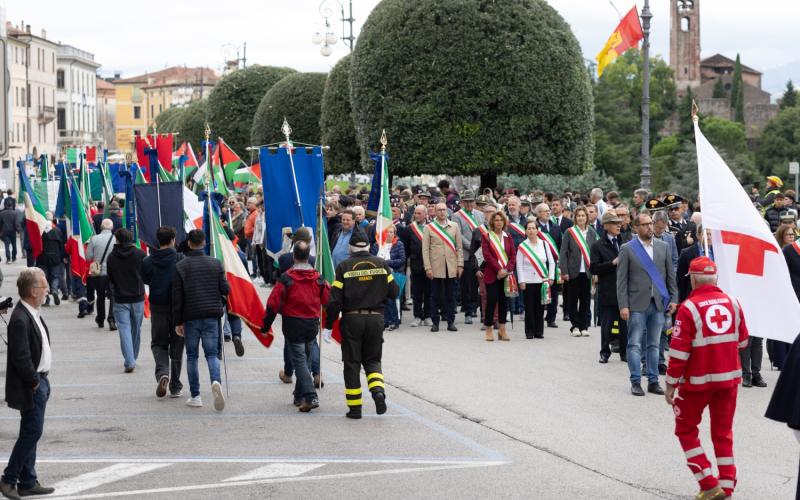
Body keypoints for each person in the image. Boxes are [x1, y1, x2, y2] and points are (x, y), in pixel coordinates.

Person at [665, 257, 749, 500]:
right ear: (716, 279)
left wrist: (670, 384)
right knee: (723, 433)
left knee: (686, 429)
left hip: (697, 383)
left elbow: (679, 354)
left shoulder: (688, 308)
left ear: (692, 279)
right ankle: (727, 488)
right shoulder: (733, 302)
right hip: (729, 380)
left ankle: (708, 483)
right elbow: (743, 341)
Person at [323, 229, 399, 419]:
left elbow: (334, 301)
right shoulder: (381, 264)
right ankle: (378, 392)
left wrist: (329, 324)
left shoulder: (343, 267)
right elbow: (394, 292)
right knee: (373, 360)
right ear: (367, 246)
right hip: (376, 319)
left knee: (352, 364)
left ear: (350, 247)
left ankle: (355, 409)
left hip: (352, 320)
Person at [1, 268, 56, 499]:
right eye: (44, 287)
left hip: (41, 380)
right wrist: (34, 382)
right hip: (32, 384)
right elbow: (21, 356)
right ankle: (9, 478)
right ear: (34, 291)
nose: (47, 291)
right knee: (32, 432)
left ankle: (27, 480)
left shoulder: (31, 312)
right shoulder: (21, 318)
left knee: (30, 431)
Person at [263, 242, 330, 412]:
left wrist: (265, 325)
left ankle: (310, 395)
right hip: (312, 323)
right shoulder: (318, 277)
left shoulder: (287, 277)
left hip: (293, 323)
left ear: (294, 256)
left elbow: (272, 304)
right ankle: (299, 396)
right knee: (305, 359)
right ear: (309, 256)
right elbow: (328, 300)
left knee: (299, 361)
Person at [617, 212, 678, 397]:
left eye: (650, 224)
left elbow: (670, 276)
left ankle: (653, 381)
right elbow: (622, 280)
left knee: (654, 345)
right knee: (634, 344)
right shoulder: (627, 248)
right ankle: (636, 381)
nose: (649, 227)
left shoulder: (663, 246)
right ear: (636, 227)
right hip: (636, 303)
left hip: (658, 303)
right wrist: (623, 305)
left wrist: (674, 298)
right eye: (644, 224)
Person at [172, 229, 229, 411]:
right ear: (204, 243)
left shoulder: (181, 266)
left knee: (192, 356)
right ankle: (215, 381)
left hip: (190, 316)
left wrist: (178, 321)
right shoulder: (216, 263)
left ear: (189, 243)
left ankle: (195, 395)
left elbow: (177, 297)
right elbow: (225, 289)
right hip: (212, 314)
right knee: (212, 354)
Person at [142, 226, 185, 398]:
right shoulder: (180, 258)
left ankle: (162, 373)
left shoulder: (148, 261)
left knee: (158, 343)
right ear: (173, 239)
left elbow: (145, 279)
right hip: (178, 308)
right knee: (177, 345)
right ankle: (175, 385)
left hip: (158, 307)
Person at [106, 228, 146, 373]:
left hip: (120, 298)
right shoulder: (140, 254)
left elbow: (110, 278)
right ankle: (132, 357)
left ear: (117, 240)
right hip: (137, 297)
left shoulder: (111, 257)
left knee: (124, 329)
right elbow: (145, 273)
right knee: (136, 329)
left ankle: (130, 359)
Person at [590, 211, 628, 363]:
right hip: (608, 289)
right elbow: (593, 268)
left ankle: (624, 352)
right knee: (607, 324)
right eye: (614, 223)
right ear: (606, 226)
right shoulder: (598, 245)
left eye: (619, 223)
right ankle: (604, 352)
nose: (618, 225)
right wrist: (612, 263)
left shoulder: (625, 241)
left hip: (624, 289)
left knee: (624, 324)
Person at [422, 203, 463, 332]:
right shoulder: (429, 228)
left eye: (444, 209)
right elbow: (425, 250)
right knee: (435, 296)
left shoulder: (454, 226)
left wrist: (460, 264)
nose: (441, 212)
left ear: (447, 211)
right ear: (434, 211)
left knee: (451, 295)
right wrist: (427, 267)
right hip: (435, 266)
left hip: (451, 266)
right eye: (439, 210)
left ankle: (451, 322)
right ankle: (435, 322)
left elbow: (459, 248)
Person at [560, 206, 597, 337]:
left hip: (587, 272)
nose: (581, 218)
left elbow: (595, 253)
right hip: (572, 271)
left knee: (585, 300)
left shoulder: (592, 233)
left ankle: (584, 326)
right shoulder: (570, 232)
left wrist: (595, 272)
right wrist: (564, 271)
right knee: (572, 299)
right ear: (575, 218)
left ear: (587, 217)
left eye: (583, 215)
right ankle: (574, 326)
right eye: (578, 216)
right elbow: (563, 253)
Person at [516, 220, 555, 339]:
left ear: (537, 230)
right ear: (525, 231)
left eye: (533, 228)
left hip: (542, 280)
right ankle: (529, 331)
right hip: (528, 281)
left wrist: (551, 277)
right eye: (529, 228)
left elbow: (552, 262)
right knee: (529, 307)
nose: (531, 230)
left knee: (540, 306)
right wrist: (521, 280)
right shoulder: (523, 246)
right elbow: (519, 265)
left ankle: (539, 331)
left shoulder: (544, 244)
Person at [481, 211, 516, 341]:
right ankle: (489, 328)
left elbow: (513, 255)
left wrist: (506, 270)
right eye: (496, 220)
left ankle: (502, 329)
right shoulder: (487, 236)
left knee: (504, 302)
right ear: (492, 222)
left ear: (504, 222)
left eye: (501, 220)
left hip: (506, 275)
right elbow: (487, 255)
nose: (499, 222)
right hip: (492, 274)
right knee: (491, 301)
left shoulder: (508, 236)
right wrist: (499, 270)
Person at [452, 191, 483, 324]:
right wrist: (472, 248)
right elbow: (458, 235)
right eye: (467, 201)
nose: (469, 204)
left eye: (471, 201)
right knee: (467, 285)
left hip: (481, 254)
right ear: (462, 203)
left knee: (480, 283)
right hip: (466, 254)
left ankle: (479, 309)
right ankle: (468, 312)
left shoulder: (480, 215)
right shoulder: (456, 216)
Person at [371, 224, 405, 330]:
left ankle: (394, 321)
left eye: (391, 232)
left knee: (392, 299)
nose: (389, 234)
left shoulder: (398, 244)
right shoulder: (377, 245)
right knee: (382, 300)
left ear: (394, 234)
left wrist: (387, 263)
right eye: (387, 232)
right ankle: (385, 321)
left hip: (393, 275)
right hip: (379, 276)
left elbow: (402, 259)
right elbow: (371, 258)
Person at [84, 219, 116, 330]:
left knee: (100, 296)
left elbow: (88, 257)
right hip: (113, 273)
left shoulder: (94, 239)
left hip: (99, 272)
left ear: (101, 227)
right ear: (112, 228)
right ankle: (112, 319)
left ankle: (101, 319)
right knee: (113, 296)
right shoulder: (116, 239)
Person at [534, 203, 562, 328]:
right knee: (539, 291)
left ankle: (551, 318)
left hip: (553, 265)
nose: (548, 212)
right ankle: (538, 317)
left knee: (554, 291)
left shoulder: (555, 227)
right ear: (538, 213)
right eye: (545, 211)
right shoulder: (534, 227)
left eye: (548, 210)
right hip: (539, 264)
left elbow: (560, 246)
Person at [36, 212, 65, 307]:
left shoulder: (40, 231)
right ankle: (55, 290)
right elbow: (61, 245)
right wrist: (62, 256)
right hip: (55, 257)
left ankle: (46, 298)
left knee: (44, 278)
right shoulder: (57, 230)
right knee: (55, 276)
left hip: (42, 258)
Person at [0, 197, 19, 263]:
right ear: (12, 205)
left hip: (5, 232)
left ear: (5, 205)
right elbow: (16, 223)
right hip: (13, 231)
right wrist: (18, 230)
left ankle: (8, 259)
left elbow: (0, 223)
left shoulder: (2, 213)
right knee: (14, 245)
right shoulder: (15, 213)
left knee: (7, 246)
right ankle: (14, 257)